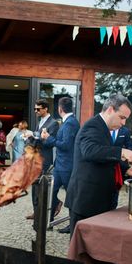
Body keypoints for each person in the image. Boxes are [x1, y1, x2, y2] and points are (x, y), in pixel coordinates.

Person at [64, 94, 132, 236]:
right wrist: (122, 151)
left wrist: (127, 169)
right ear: (110, 110)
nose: (123, 123)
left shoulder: (103, 128)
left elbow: (103, 157)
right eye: (122, 118)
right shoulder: (93, 126)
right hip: (86, 201)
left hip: (97, 200)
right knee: (82, 250)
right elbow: (90, 151)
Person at [41, 97, 80, 229]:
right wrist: (47, 137)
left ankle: (73, 225)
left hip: (67, 166)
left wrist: (49, 138)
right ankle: (49, 221)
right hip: (60, 166)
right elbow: (59, 140)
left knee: (71, 195)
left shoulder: (70, 123)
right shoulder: (67, 121)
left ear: (60, 109)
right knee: (52, 192)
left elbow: (66, 145)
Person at [27, 99, 58, 220]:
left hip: (45, 158)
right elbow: (36, 139)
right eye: (35, 109)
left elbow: (50, 143)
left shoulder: (53, 123)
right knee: (35, 185)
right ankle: (36, 211)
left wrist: (36, 136)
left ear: (45, 109)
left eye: (38, 109)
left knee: (40, 184)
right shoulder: (40, 122)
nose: (36, 111)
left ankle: (51, 206)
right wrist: (29, 138)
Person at [110, 124, 132, 209]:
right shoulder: (105, 129)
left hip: (120, 164)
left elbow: (129, 145)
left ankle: (113, 206)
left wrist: (127, 155)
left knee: (117, 186)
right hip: (106, 162)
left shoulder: (125, 131)